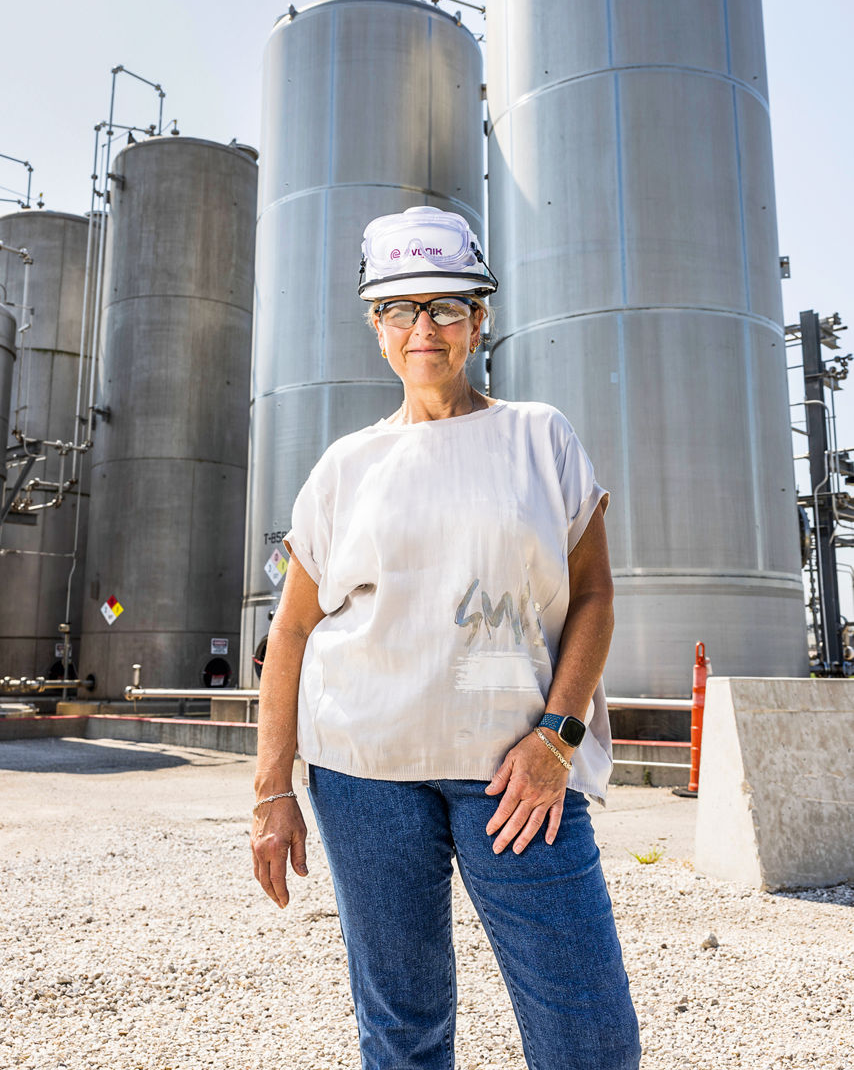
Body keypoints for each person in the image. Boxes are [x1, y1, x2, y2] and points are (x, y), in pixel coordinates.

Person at [251, 206, 641, 1070]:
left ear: (480, 317)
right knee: (403, 1026)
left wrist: (558, 738)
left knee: (589, 1034)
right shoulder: (344, 468)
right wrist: (271, 792)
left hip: (518, 775)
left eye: (445, 307)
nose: (422, 328)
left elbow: (595, 599)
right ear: (375, 327)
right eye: (399, 309)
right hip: (365, 777)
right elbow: (293, 633)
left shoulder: (540, 438)